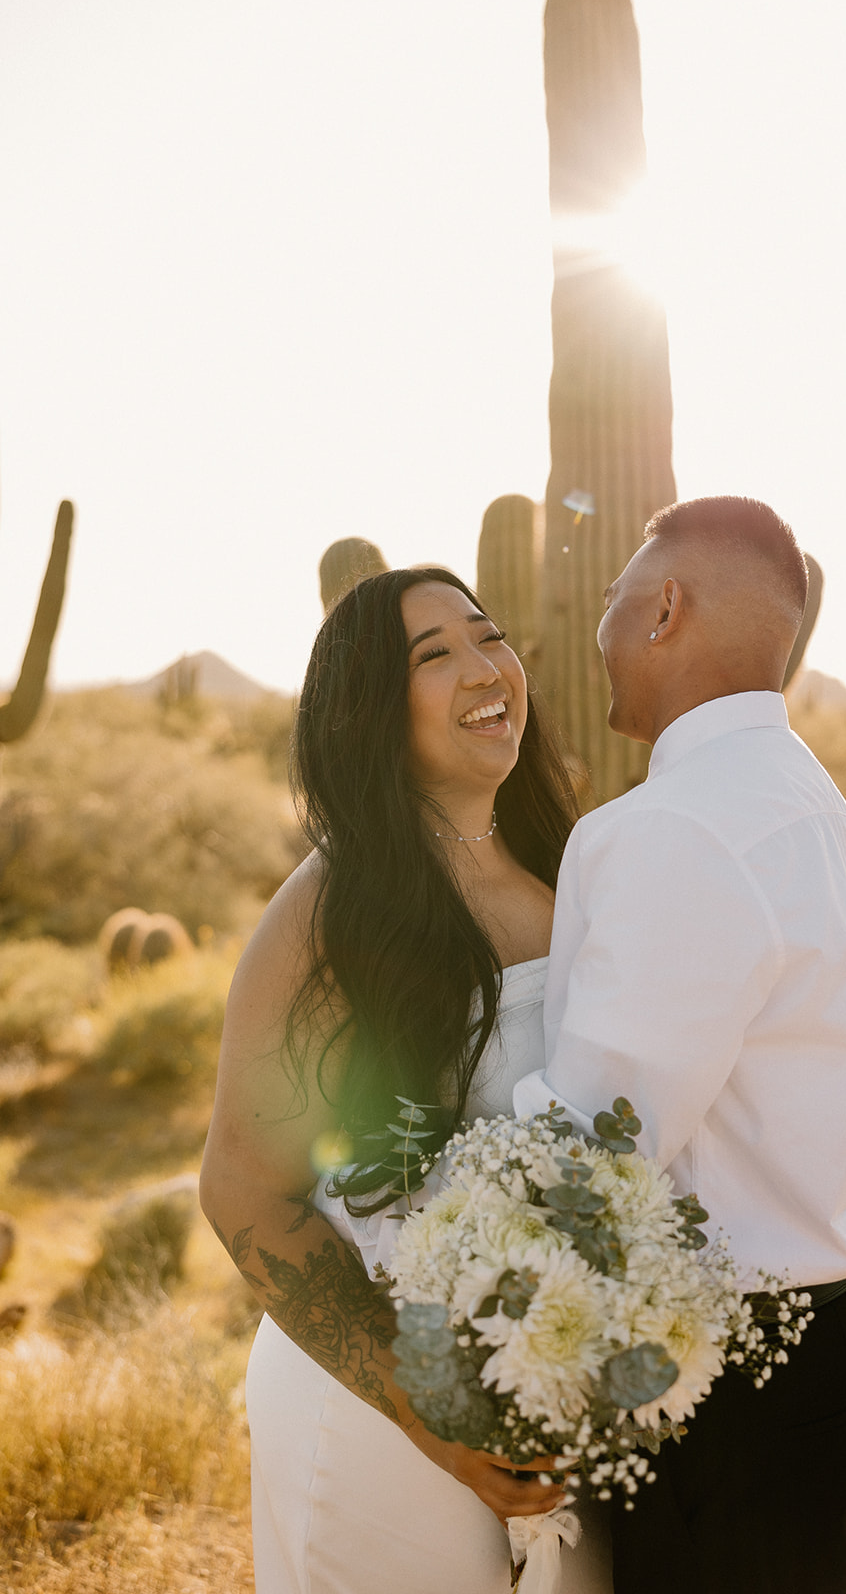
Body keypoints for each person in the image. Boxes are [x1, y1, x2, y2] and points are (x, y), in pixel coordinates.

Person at [514, 496, 846, 1594]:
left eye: (611, 601)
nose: (597, 629)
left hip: (739, 1378)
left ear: (664, 610)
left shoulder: (670, 830)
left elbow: (599, 1146)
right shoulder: (812, 806)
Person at [199, 568, 612, 1593]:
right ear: (368, 710)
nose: (484, 670)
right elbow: (244, 1186)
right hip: (381, 1423)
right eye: (434, 656)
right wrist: (428, 1404)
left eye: (489, 636)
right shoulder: (331, 910)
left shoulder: (579, 866)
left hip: (562, 1409)